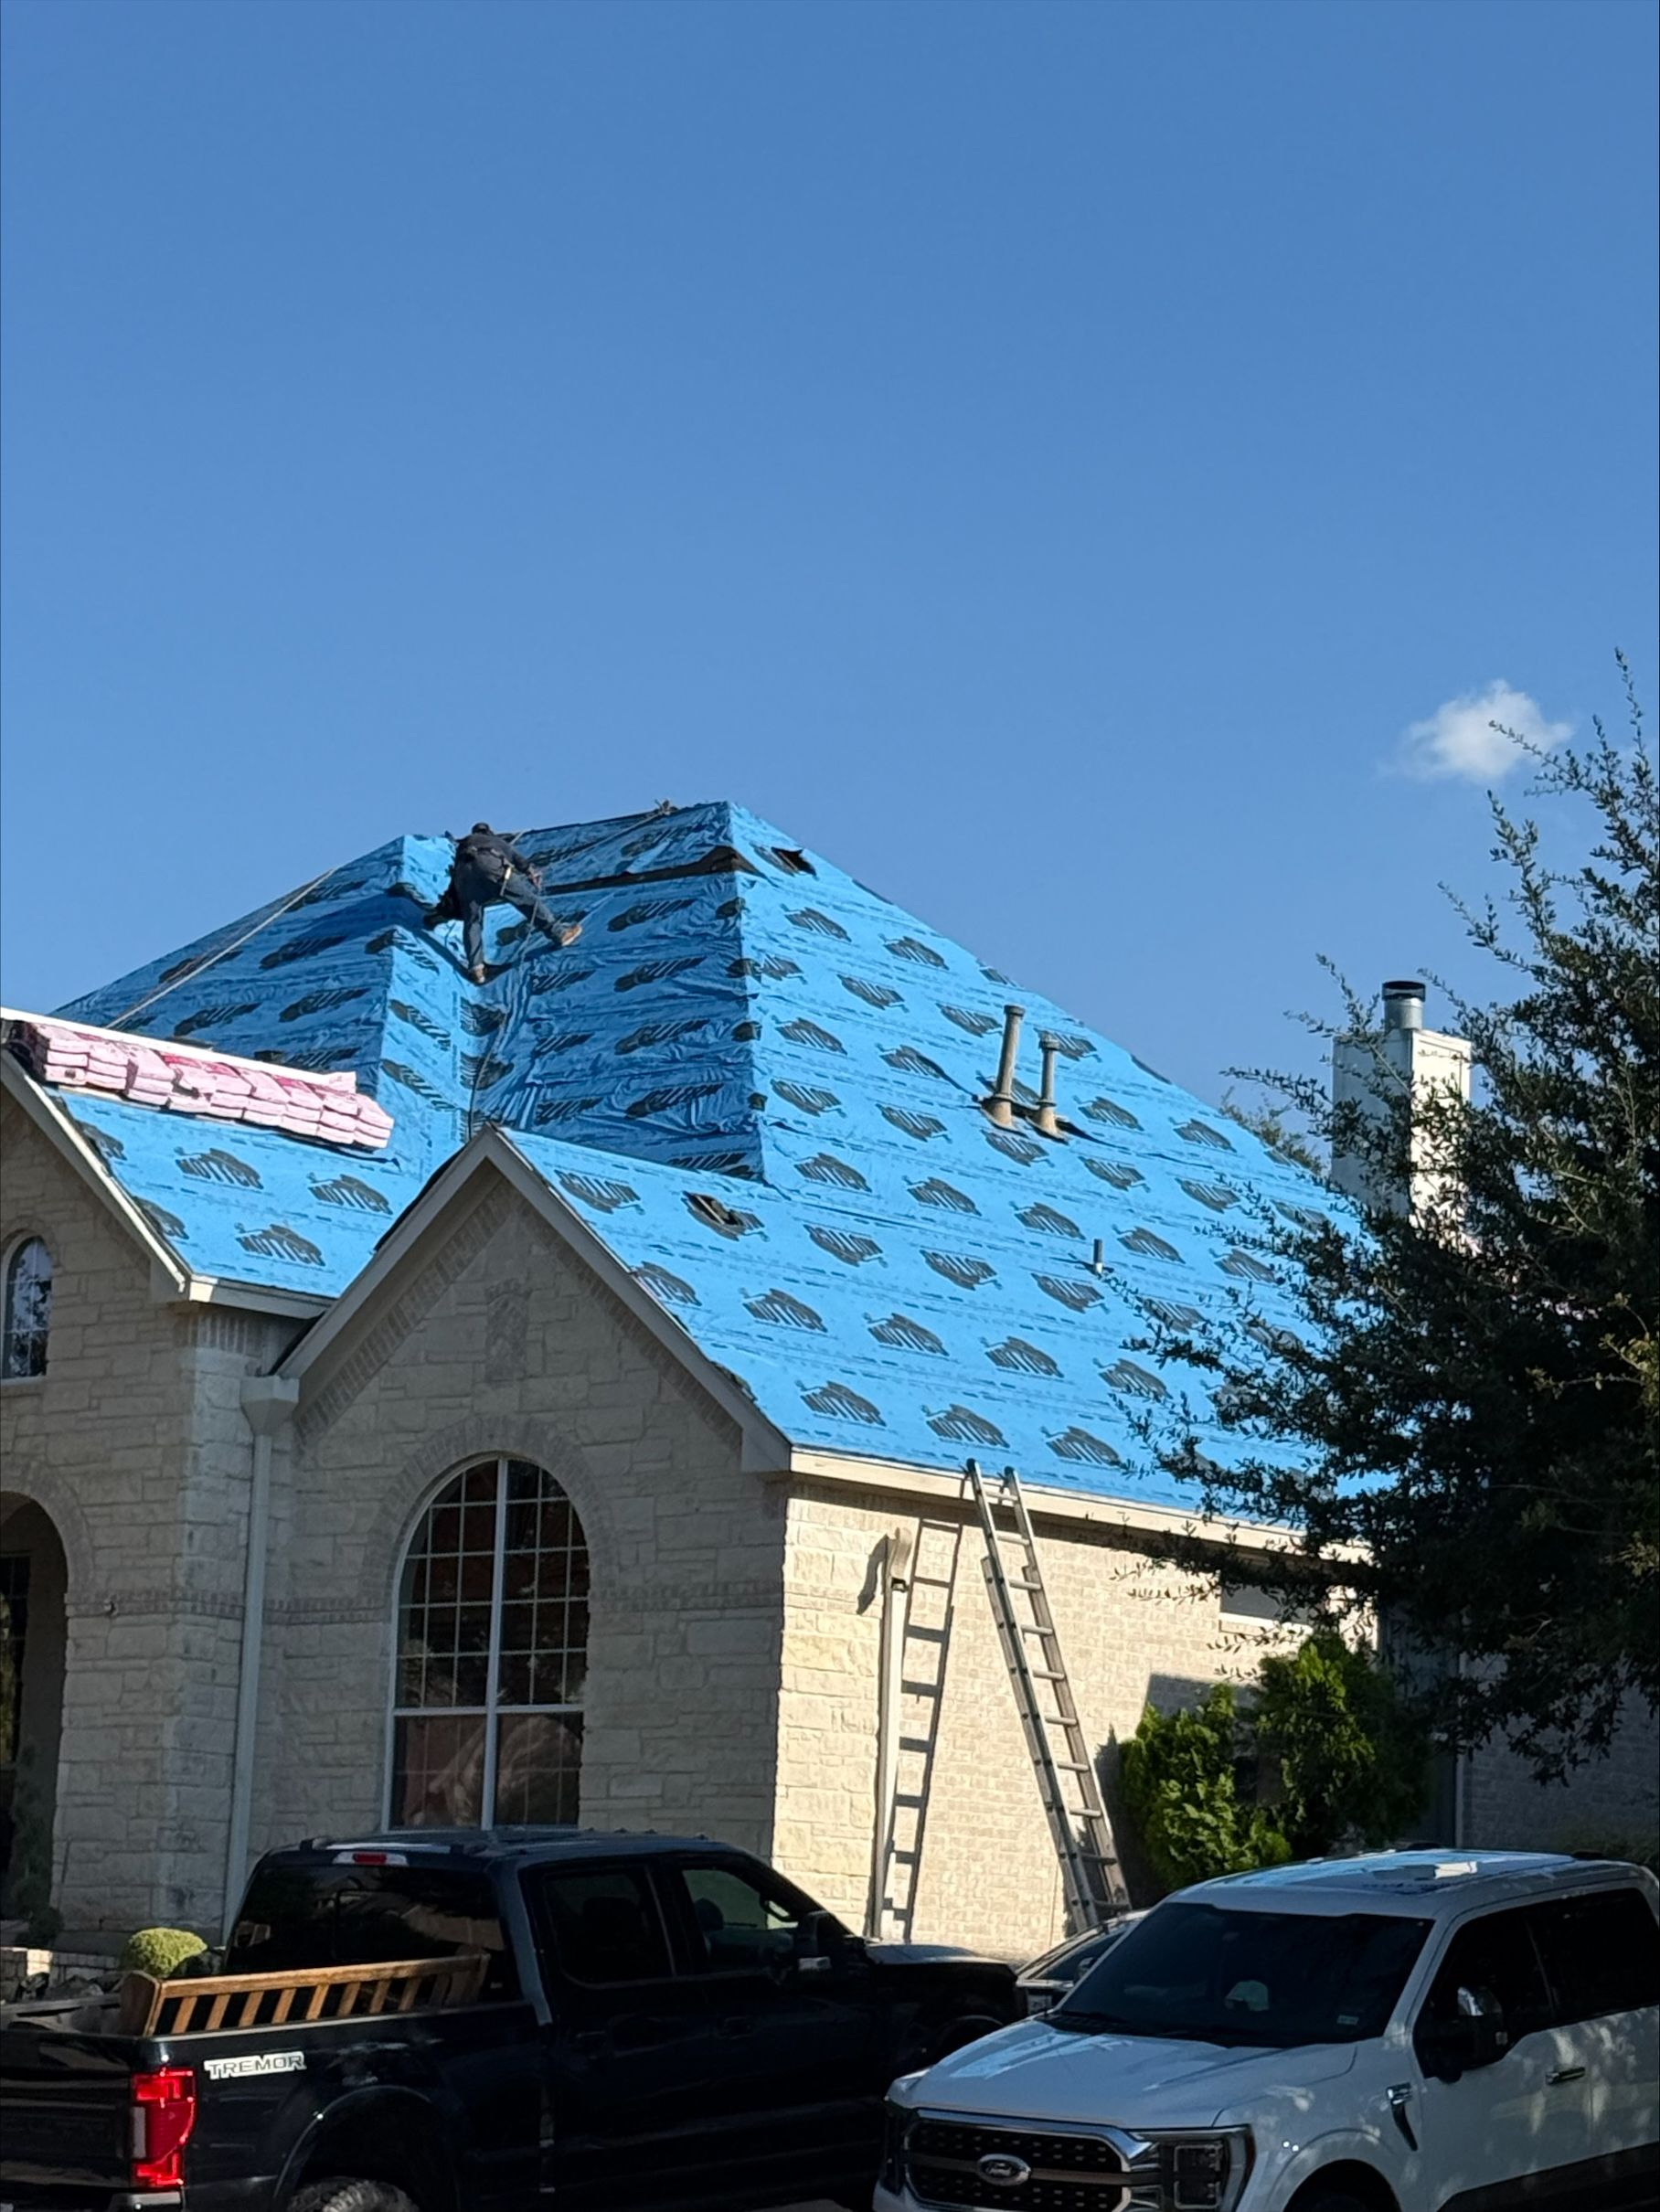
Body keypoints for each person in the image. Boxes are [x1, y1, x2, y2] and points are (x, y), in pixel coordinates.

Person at [423, 824, 582, 984]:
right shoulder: (494, 841)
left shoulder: (465, 844)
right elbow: (518, 859)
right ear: (489, 832)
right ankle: (559, 934)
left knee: (473, 922)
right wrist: (531, 873)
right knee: (527, 902)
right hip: (491, 868)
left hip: (464, 879)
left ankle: (476, 969)